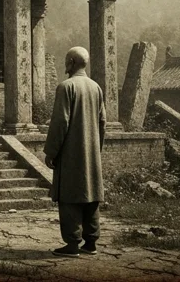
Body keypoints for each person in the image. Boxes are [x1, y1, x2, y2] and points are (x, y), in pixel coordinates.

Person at [43, 46, 106, 258]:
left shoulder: (66, 87)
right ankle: (91, 243)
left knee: (70, 196)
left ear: (70, 62)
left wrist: (51, 151)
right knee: (91, 195)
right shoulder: (95, 87)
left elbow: (60, 123)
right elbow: (102, 122)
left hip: (71, 152)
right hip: (91, 152)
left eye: (65, 60)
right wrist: (97, 149)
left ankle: (71, 244)